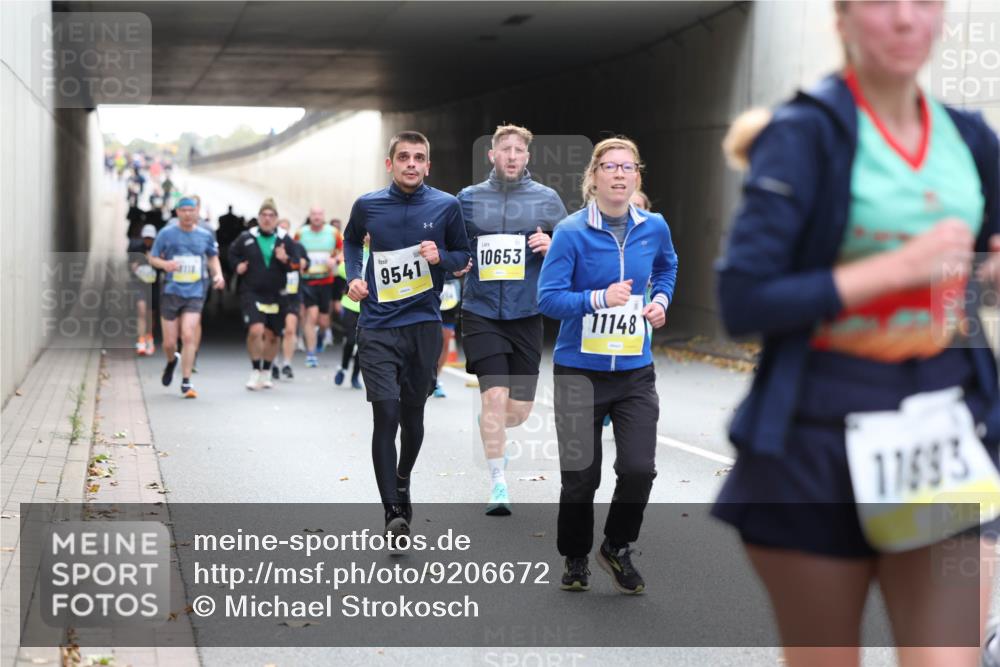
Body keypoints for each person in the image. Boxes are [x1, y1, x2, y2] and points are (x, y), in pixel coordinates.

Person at [712, 2, 1000, 665]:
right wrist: (899, 268)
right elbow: (744, 300)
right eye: (880, 2)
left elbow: (973, 272)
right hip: (817, 436)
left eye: (923, 2)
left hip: (937, 430)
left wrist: (985, 276)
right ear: (841, 19)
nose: (904, 19)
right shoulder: (804, 134)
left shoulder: (970, 140)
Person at [538, 137, 676, 595]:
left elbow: (667, 268)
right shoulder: (570, 232)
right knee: (581, 477)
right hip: (579, 370)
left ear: (637, 176)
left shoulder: (654, 227)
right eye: (610, 166)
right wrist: (598, 298)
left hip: (634, 370)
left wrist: (660, 301)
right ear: (593, 176)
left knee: (638, 469)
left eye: (628, 166)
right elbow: (548, 299)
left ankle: (616, 545)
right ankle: (575, 555)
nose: (619, 174)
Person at [344, 130, 471, 540]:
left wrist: (441, 256)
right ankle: (392, 512)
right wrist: (353, 277)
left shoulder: (446, 206)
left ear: (428, 165)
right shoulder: (368, 205)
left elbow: (463, 256)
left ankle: (403, 479)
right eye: (403, 157)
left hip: (423, 326)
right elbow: (351, 240)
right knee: (386, 415)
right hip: (377, 325)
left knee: (413, 418)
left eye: (418, 158)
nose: (411, 164)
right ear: (390, 164)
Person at [457, 124, 568, 515]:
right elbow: (454, 246)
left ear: (527, 156)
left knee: (518, 412)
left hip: (526, 313)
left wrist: (551, 245)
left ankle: (492, 424)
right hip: (481, 311)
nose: (511, 156)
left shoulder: (547, 199)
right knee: (494, 397)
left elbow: (573, 249)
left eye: (518, 150)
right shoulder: (469, 199)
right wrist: (458, 263)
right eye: (504, 149)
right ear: (492, 155)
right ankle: (498, 484)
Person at [148, 197, 225, 398]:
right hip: (171, 291)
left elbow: (212, 256)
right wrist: (164, 265)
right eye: (184, 210)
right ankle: (172, 360)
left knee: (188, 334)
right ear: (178, 212)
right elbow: (152, 257)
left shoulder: (205, 235)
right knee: (169, 343)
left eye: (191, 210)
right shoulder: (166, 233)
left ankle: (186, 380)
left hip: (195, 292)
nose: (188, 214)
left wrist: (218, 274)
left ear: (196, 212)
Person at [229, 198, 302, 390]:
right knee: (256, 330)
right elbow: (232, 253)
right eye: (264, 215)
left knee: (273, 335)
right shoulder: (247, 237)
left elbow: (297, 265)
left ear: (276, 218)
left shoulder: (285, 239)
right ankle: (255, 370)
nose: (267, 219)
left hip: (278, 294)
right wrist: (237, 266)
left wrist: (285, 259)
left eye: (271, 215)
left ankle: (267, 370)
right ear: (259, 217)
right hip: (252, 292)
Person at [296, 207, 340, 367]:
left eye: (319, 214)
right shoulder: (301, 233)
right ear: (309, 216)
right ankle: (311, 354)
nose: (316, 217)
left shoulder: (333, 232)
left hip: (326, 282)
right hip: (308, 281)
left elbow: (345, 250)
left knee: (323, 321)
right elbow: (293, 251)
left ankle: (321, 335)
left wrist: (335, 260)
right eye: (314, 214)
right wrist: (299, 261)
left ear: (323, 216)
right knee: (312, 316)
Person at [274, 218, 309, 380]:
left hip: (293, 293)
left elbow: (306, 263)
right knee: (274, 331)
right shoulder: (272, 246)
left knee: (290, 329)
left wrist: (302, 263)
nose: (283, 232)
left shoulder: (297, 246)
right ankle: (273, 362)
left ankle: (287, 363)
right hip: (275, 293)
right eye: (280, 229)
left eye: (285, 229)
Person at [334, 235, 367, 390]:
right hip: (350, 304)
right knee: (350, 339)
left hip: (369, 307)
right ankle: (343, 367)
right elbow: (342, 270)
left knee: (363, 343)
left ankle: (355, 375)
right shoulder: (356, 249)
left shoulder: (381, 250)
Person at [127, 224, 159, 356]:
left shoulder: (158, 248)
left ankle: (149, 337)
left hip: (153, 285)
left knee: (150, 314)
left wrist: (152, 260)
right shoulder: (135, 248)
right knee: (141, 310)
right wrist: (136, 264)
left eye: (150, 238)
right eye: (146, 238)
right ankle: (140, 340)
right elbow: (130, 265)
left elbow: (164, 265)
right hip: (139, 284)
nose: (148, 241)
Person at [433, 277, 462, 399]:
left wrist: (458, 269)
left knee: (445, 342)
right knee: (425, 341)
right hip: (428, 285)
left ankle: (435, 379)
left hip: (449, 291)